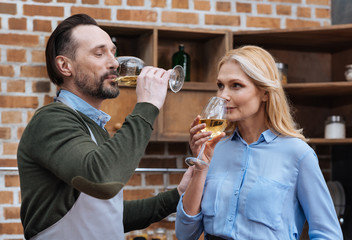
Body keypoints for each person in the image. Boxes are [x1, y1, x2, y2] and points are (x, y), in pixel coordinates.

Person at [17, 13, 192, 240]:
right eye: (99, 53)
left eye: (113, 52)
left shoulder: (94, 126)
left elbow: (108, 217)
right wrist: (148, 105)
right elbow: (102, 180)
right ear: (64, 65)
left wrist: (178, 195)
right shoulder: (51, 121)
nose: (114, 63)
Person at [175, 46, 343, 239]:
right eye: (220, 85)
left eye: (236, 85)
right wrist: (201, 167)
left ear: (265, 92)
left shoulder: (298, 154)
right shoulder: (215, 149)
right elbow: (185, 234)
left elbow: (328, 234)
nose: (222, 95)